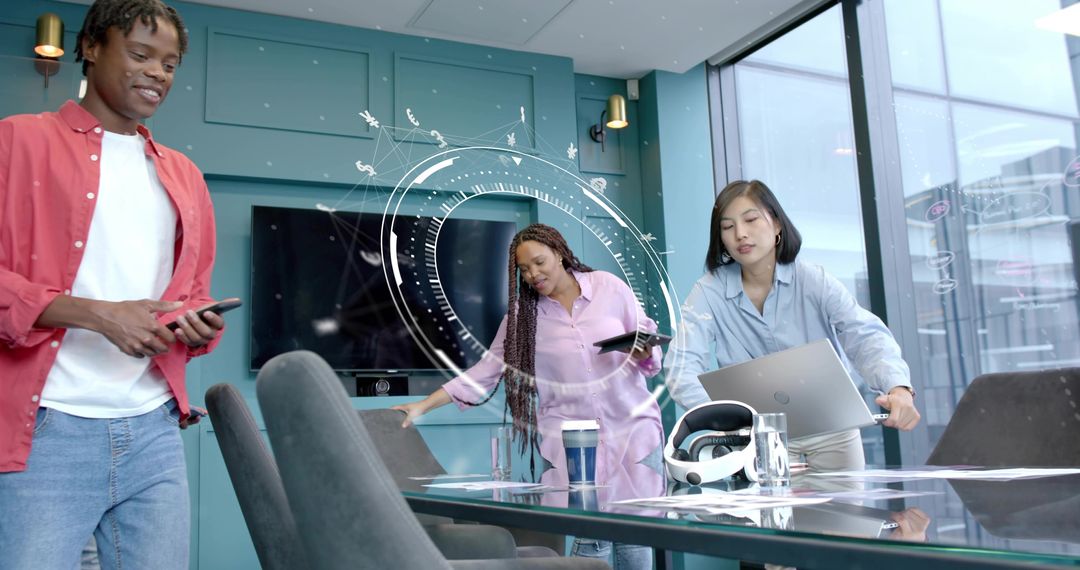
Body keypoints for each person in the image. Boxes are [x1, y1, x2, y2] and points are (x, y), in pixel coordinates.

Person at [0, 1, 224, 568]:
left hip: (154, 429)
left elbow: (193, 291)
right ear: (93, 46)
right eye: (141, 54)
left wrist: (194, 323)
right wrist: (100, 315)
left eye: (170, 64)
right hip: (46, 427)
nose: (158, 73)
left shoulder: (184, 175)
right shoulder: (16, 142)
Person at [393, 223, 663, 569]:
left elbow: (647, 343)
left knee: (636, 539)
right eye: (524, 269)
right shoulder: (523, 319)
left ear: (560, 254)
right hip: (574, 447)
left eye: (539, 262)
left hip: (634, 433)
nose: (533, 274)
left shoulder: (610, 287)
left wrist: (645, 353)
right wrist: (424, 404)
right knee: (591, 538)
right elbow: (485, 371)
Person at [663, 180, 920, 472]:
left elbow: (864, 335)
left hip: (832, 434)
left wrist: (897, 388)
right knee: (768, 519)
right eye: (727, 227)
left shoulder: (814, 280)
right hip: (757, 440)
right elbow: (681, 367)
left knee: (842, 517)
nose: (740, 234)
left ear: (777, 225)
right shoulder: (709, 292)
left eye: (750, 219)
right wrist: (729, 421)